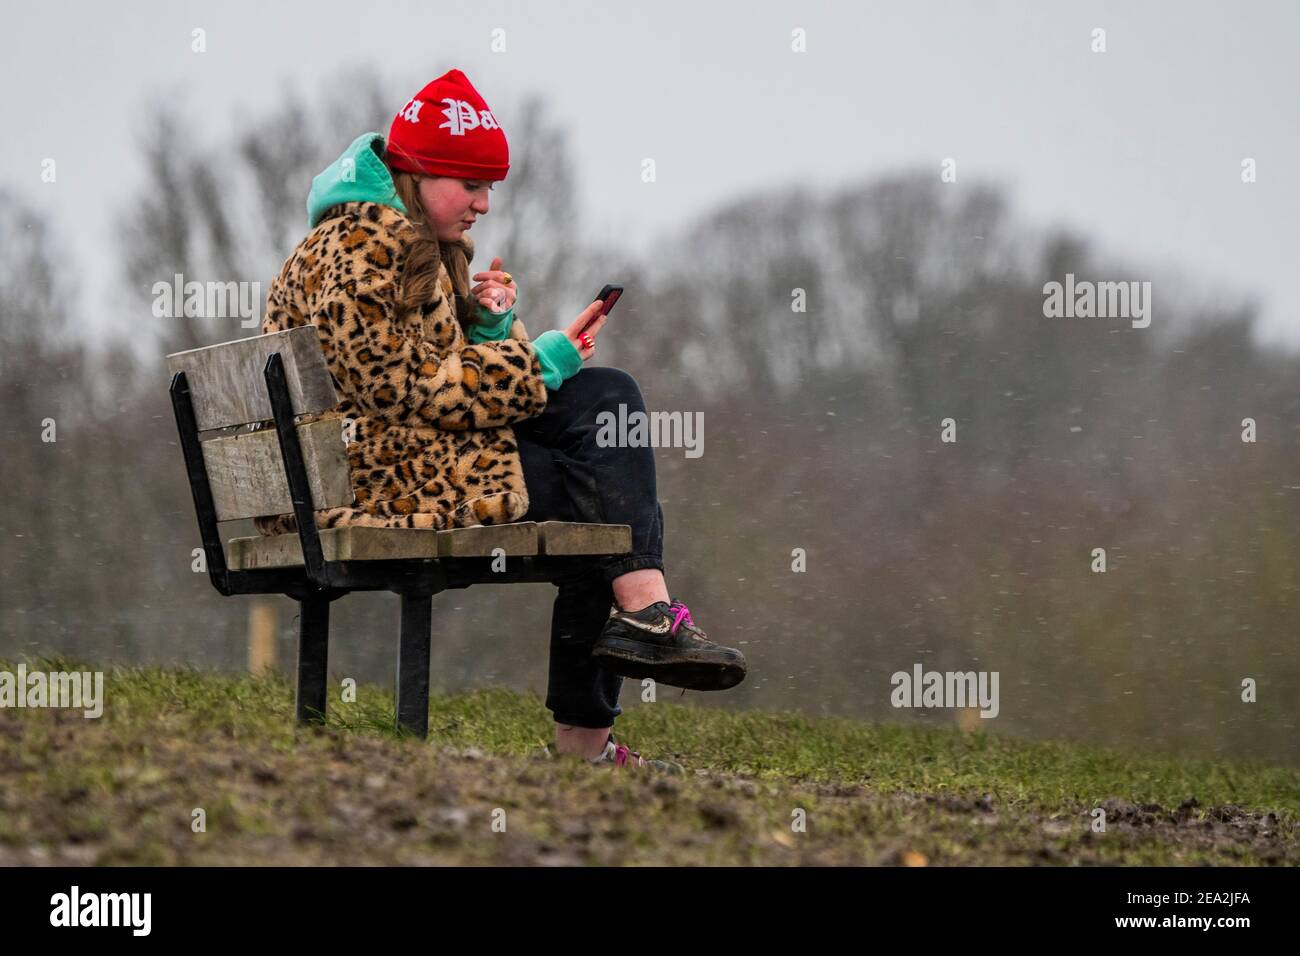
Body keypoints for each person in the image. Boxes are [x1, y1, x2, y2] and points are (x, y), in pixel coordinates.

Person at [255, 69, 746, 770]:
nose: (485, 204)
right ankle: (618, 677)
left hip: (382, 465)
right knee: (604, 496)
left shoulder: (392, 238)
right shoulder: (367, 247)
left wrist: (491, 329)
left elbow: (420, 375)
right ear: (417, 172)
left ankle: (643, 614)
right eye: (472, 184)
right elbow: (405, 394)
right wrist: (537, 363)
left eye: (490, 188)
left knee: (608, 406)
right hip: (371, 482)